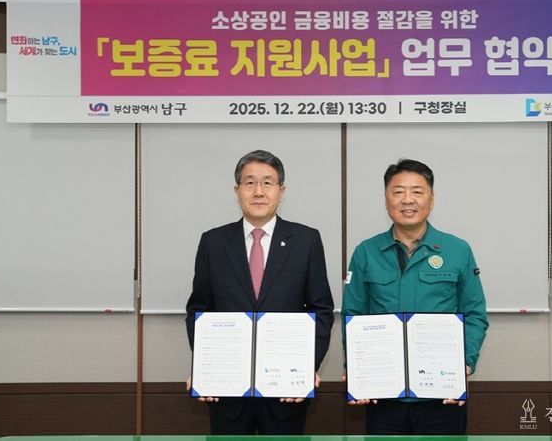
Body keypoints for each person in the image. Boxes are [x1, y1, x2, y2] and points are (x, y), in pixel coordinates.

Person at [185, 149, 334, 435]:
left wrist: (305, 367)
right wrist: (205, 367)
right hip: (227, 390)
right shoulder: (213, 242)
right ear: (237, 190)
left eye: (267, 183)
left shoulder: (306, 240)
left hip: (286, 391)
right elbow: (199, 310)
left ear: (281, 190)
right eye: (249, 182)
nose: (258, 191)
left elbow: (321, 310)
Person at [342, 158, 489, 435]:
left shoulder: (457, 250)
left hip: (442, 395)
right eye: (398, 192)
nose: (407, 200)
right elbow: (353, 315)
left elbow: (475, 314)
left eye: (417, 192)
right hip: (383, 395)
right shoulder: (366, 252)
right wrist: (358, 370)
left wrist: (464, 364)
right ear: (386, 199)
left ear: (431, 200)